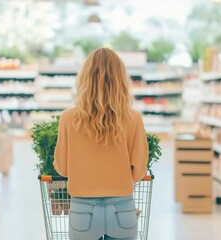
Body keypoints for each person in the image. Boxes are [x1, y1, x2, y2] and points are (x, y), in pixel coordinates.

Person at [53, 48, 149, 240]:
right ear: (121, 80)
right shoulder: (133, 118)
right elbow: (139, 173)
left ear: (85, 79)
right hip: (122, 212)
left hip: (82, 212)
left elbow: (62, 169)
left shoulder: (68, 118)